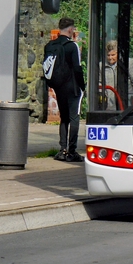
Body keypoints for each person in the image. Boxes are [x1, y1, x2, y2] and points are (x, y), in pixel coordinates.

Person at [44, 17, 85, 161]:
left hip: (58, 87)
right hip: (73, 88)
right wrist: (82, 86)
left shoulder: (51, 45)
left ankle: (62, 150)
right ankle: (72, 151)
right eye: (73, 29)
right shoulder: (72, 46)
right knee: (74, 118)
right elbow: (77, 68)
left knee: (64, 118)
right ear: (70, 29)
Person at [102, 40, 133, 110]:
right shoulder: (102, 65)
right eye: (108, 55)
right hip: (110, 103)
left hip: (127, 100)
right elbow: (100, 83)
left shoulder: (128, 63)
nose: (110, 58)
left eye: (113, 55)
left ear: (118, 54)